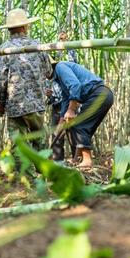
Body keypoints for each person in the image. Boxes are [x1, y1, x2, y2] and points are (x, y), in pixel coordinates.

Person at [0, 9, 52, 151]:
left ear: (9, 29)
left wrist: (1, 102)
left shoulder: (3, 49)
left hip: (15, 105)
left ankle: (27, 174)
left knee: (19, 146)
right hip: (36, 104)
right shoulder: (37, 45)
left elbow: (0, 81)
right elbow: (49, 71)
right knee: (40, 141)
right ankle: (44, 172)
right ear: (25, 27)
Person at [50, 61, 114, 169]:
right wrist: (61, 124)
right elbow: (66, 98)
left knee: (79, 125)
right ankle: (77, 159)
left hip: (98, 94)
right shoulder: (59, 78)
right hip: (102, 95)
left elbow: (75, 85)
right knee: (83, 129)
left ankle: (87, 160)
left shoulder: (60, 67)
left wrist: (71, 110)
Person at [48, 31, 78, 161]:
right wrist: (47, 93)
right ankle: (57, 162)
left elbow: (74, 59)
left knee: (73, 134)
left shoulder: (64, 68)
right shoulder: (48, 76)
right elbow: (46, 89)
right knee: (57, 134)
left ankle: (78, 160)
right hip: (57, 106)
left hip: (70, 104)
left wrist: (66, 43)